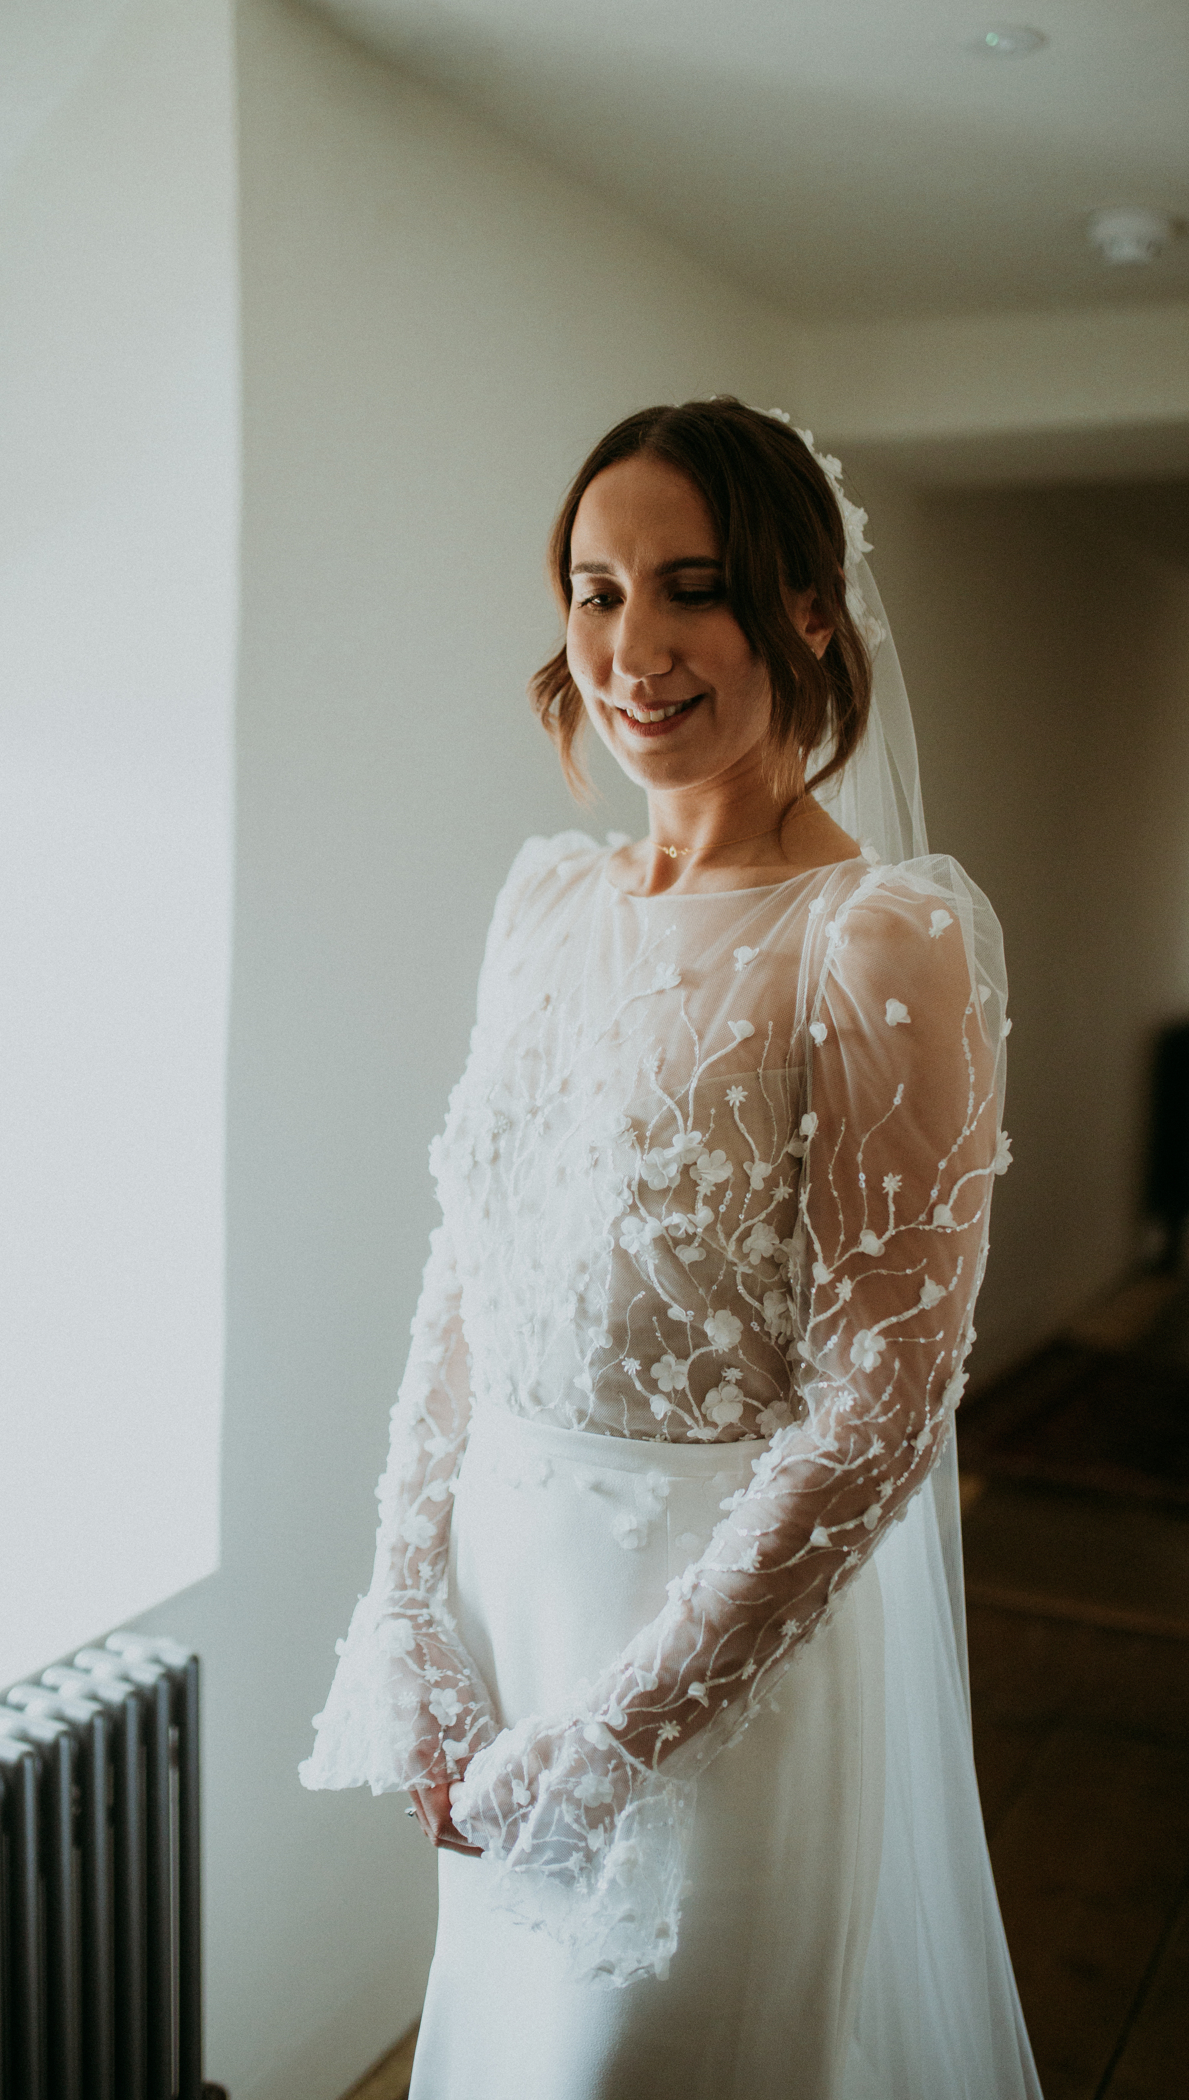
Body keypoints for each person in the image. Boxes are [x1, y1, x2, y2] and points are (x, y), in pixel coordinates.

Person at [301, 399, 1042, 2099]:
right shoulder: (544, 902)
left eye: (688, 588)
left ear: (803, 610)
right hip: (508, 1601)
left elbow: (881, 1402)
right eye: (596, 590)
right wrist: (408, 1601)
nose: (633, 648)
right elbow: (465, 1270)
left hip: (719, 1660)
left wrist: (620, 1736)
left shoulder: (882, 937)